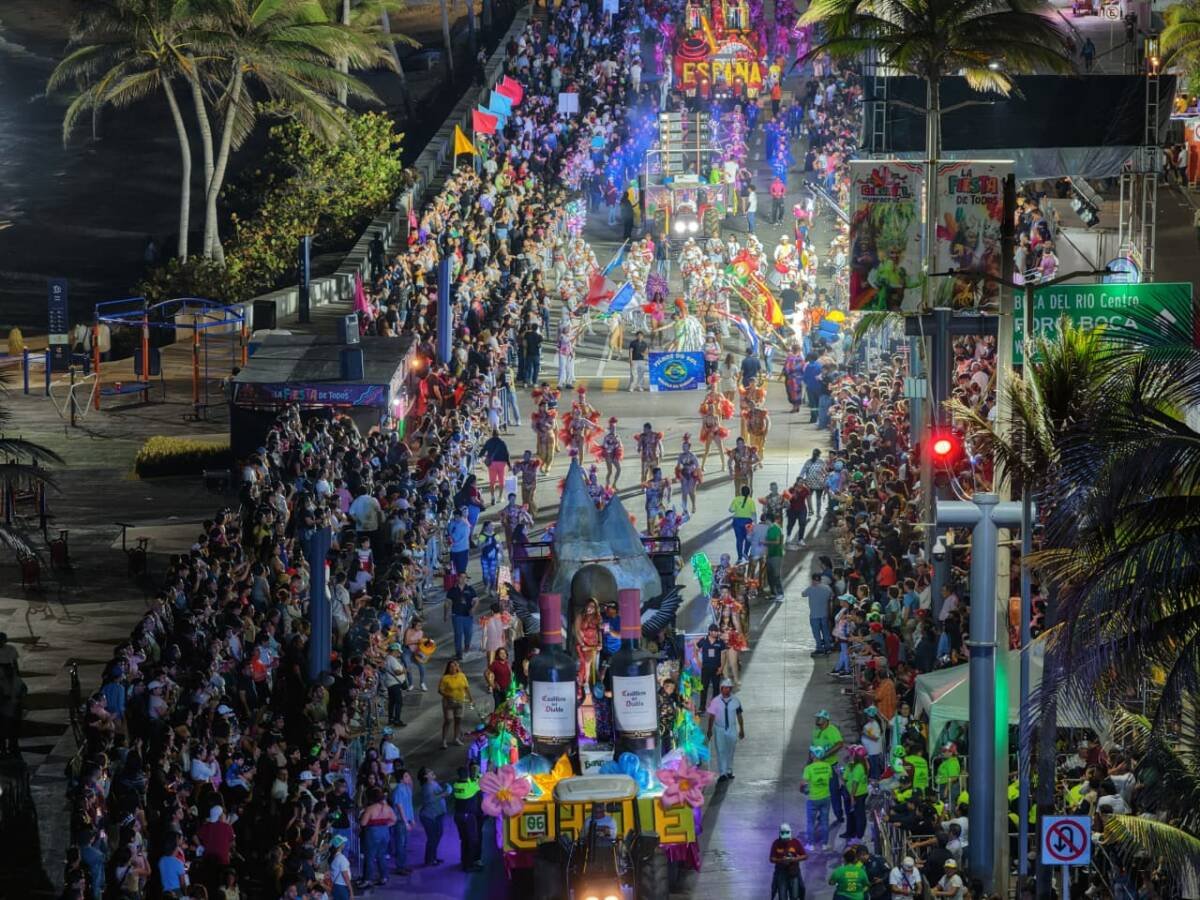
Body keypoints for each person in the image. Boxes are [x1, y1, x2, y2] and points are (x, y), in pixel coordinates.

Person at [706, 678, 744, 781]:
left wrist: (742, 729)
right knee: (721, 750)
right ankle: (722, 773)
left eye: (729, 688)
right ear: (721, 689)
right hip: (719, 729)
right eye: (725, 688)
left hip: (732, 728)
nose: (727, 690)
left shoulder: (735, 701)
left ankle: (729, 770)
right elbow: (712, 716)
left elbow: (739, 715)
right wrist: (709, 730)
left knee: (730, 750)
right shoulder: (715, 701)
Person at [359, 786, 397, 886]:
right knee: (381, 855)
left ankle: (368, 879)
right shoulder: (388, 808)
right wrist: (385, 825)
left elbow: (363, 823)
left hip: (372, 832)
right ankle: (384, 877)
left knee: (370, 856)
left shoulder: (370, 809)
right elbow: (394, 820)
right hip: (385, 832)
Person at [417, 767, 453, 867]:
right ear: (425, 776)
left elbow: (441, 793)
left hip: (436, 815)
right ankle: (429, 860)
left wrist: (446, 790)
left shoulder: (433, 783)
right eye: (429, 772)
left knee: (437, 836)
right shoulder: (426, 787)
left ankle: (432, 857)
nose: (432, 772)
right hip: (429, 817)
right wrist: (446, 793)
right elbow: (430, 800)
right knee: (432, 838)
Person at [800, 744, 833, 848]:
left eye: (811, 753)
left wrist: (803, 790)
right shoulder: (828, 766)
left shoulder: (809, 768)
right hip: (826, 797)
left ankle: (811, 844)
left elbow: (803, 784)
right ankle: (825, 844)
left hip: (813, 799)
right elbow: (829, 778)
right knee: (825, 822)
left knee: (811, 822)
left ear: (813, 755)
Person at [450, 766, 483, 871]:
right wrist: (477, 774)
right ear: (468, 775)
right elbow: (480, 783)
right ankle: (469, 865)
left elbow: (472, 782)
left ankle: (464, 862)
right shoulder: (470, 787)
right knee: (472, 840)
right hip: (468, 817)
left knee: (464, 840)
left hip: (458, 816)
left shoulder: (456, 785)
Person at [437, 659, 473, 749]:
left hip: (460, 701)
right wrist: (447, 695)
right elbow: (440, 690)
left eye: (455, 666)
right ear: (448, 668)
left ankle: (456, 738)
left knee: (458, 720)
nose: (453, 668)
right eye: (451, 666)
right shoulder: (445, 678)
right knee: (448, 720)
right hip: (448, 702)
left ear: (457, 667)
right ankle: (444, 740)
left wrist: (471, 699)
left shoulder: (462, 676)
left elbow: (466, 688)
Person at [769, 822, 807, 900]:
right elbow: (771, 858)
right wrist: (781, 860)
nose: (785, 841)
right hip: (781, 873)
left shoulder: (795, 842)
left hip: (793, 873)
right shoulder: (776, 843)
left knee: (795, 896)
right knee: (782, 897)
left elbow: (805, 856)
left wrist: (794, 859)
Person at [445, 572, 478, 660]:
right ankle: (458, 653)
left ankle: (467, 646)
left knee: (468, 633)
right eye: (461, 577)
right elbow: (447, 603)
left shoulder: (470, 589)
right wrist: (446, 614)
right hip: (457, 615)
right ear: (457, 578)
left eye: (465, 578)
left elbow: (476, 600)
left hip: (468, 616)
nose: (463, 579)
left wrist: (473, 608)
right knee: (458, 634)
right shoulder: (452, 590)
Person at [390, 769, 416, 876]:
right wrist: (406, 822)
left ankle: (403, 865)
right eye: (406, 776)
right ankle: (400, 867)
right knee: (400, 844)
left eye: (408, 775)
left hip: (406, 819)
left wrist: (412, 819)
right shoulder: (398, 789)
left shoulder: (407, 788)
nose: (409, 778)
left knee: (404, 844)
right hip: (400, 821)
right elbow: (399, 806)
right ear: (401, 779)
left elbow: (409, 804)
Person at [695, 624, 727, 708]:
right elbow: (696, 649)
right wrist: (698, 661)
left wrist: (721, 667)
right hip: (705, 668)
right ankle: (702, 707)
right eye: (714, 631)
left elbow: (723, 655)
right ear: (710, 631)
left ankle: (714, 707)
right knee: (704, 688)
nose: (716, 633)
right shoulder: (703, 640)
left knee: (716, 688)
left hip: (716, 668)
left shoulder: (720, 642)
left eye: (717, 631)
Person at [803, 574, 834, 655]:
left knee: (816, 633)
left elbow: (803, 594)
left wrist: (811, 586)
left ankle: (819, 648)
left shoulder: (810, 588)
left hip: (814, 615)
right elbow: (832, 595)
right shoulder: (827, 588)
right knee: (825, 631)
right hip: (824, 614)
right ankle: (828, 647)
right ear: (820, 580)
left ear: (813, 580)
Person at [481, 429, 510, 504]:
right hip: (501, 463)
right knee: (501, 481)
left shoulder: (489, 441)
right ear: (499, 434)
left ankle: (492, 497)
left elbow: (483, 450)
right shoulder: (502, 442)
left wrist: (480, 456)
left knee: (492, 481)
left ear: (492, 434)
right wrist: (509, 465)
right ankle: (500, 497)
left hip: (492, 463)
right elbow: (507, 454)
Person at [729, 486, 757, 562]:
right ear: (749, 493)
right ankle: (745, 552)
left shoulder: (736, 499)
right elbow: (753, 514)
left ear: (741, 492)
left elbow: (731, 510)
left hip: (737, 522)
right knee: (749, 539)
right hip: (747, 522)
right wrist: (755, 523)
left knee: (739, 540)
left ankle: (739, 557)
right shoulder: (751, 501)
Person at [383, 643, 408, 727]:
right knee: (398, 702)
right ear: (394, 651)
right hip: (394, 684)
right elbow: (397, 672)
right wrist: (404, 671)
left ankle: (391, 719)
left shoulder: (388, 658)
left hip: (390, 683)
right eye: (398, 651)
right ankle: (397, 720)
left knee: (392, 702)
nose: (399, 653)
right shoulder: (392, 660)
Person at [764, 512, 786, 601]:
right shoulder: (769, 529)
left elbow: (777, 542)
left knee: (776, 575)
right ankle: (773, 593)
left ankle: (780, 594)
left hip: (776, 555)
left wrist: (765, 542)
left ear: (769, 520)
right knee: (769, 575)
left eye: (765, 519)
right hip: (770, 555)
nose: (765, 521)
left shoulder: (776, 529)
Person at [329, 834, 354, 900]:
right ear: (340, 845)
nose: (344, 844)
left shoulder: (334, 857)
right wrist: (351, 891)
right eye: (343, 843)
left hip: (335, 886)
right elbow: (345, 876)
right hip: (342, 888)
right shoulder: (341, 858)